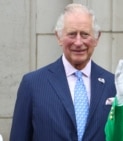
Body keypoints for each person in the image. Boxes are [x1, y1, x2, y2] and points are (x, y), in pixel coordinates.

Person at [10, 3, 116, 141]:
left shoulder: (113, 85)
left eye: (85, 34)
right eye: (72, 34)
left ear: (96, 38)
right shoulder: (33, 84)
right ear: (58, 37)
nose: (78, 42)